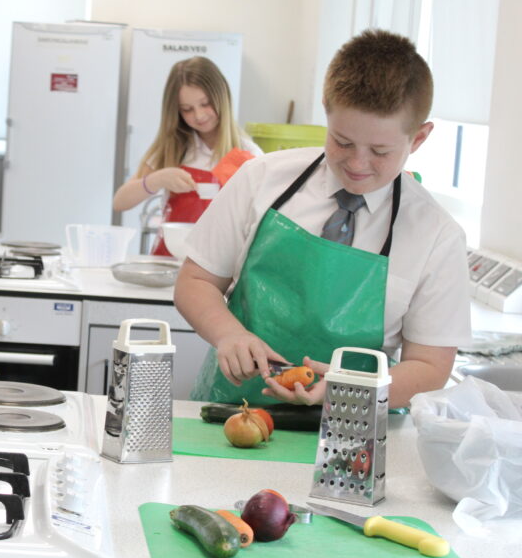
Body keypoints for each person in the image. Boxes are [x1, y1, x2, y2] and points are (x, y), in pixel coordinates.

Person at [174, 29, 470, 409]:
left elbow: (430, 366)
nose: (357, 164)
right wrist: (227, 333)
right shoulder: (261, 179)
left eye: (380, 150)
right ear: (326, 111)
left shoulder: (437, 236)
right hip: (233, 412)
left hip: (355, 431)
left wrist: (350, 387)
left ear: (418, 139)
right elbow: (195, 280)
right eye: (342, 142)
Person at [112, 56, 261, 256]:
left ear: (222, 98)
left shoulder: (248, 154)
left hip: (220, 267)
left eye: (205, 103)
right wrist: (158, 179)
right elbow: (120, 202)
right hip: (170, 261)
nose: (199, 115)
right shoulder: (174, 147)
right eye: (187, 109)